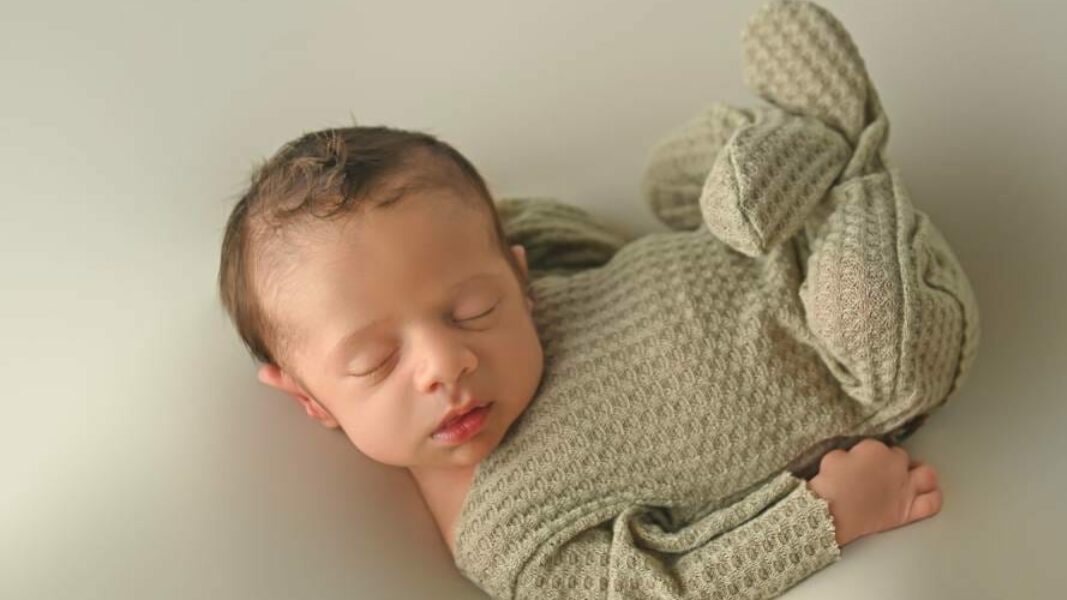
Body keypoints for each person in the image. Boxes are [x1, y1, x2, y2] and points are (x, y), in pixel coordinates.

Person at [216, 1, 980, 598]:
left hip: (758, 242)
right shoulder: (510, 542)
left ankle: (792, 155)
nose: (448, 362)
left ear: (514, 276)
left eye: (473, 310)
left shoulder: (528, 278)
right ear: (310, 400)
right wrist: (829, 516)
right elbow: (672, 586)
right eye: (377, 359)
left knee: (665, 185)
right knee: (871, 319)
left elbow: (550, 233)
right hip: (854, 354)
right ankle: (848, 158)